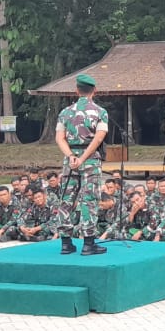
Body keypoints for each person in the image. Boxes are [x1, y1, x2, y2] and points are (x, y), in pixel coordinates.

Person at [55, 73, 110, 256]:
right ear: (94, 91)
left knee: (66, 198)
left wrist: (71, 156)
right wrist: (84, 158)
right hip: (90, 160)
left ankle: (65, 243)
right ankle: (88, 243)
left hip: (70, 160)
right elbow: (98, 138)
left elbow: (59, 138)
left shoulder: (65, 112)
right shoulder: (100, 112)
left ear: (77, 90)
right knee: (89, 199)